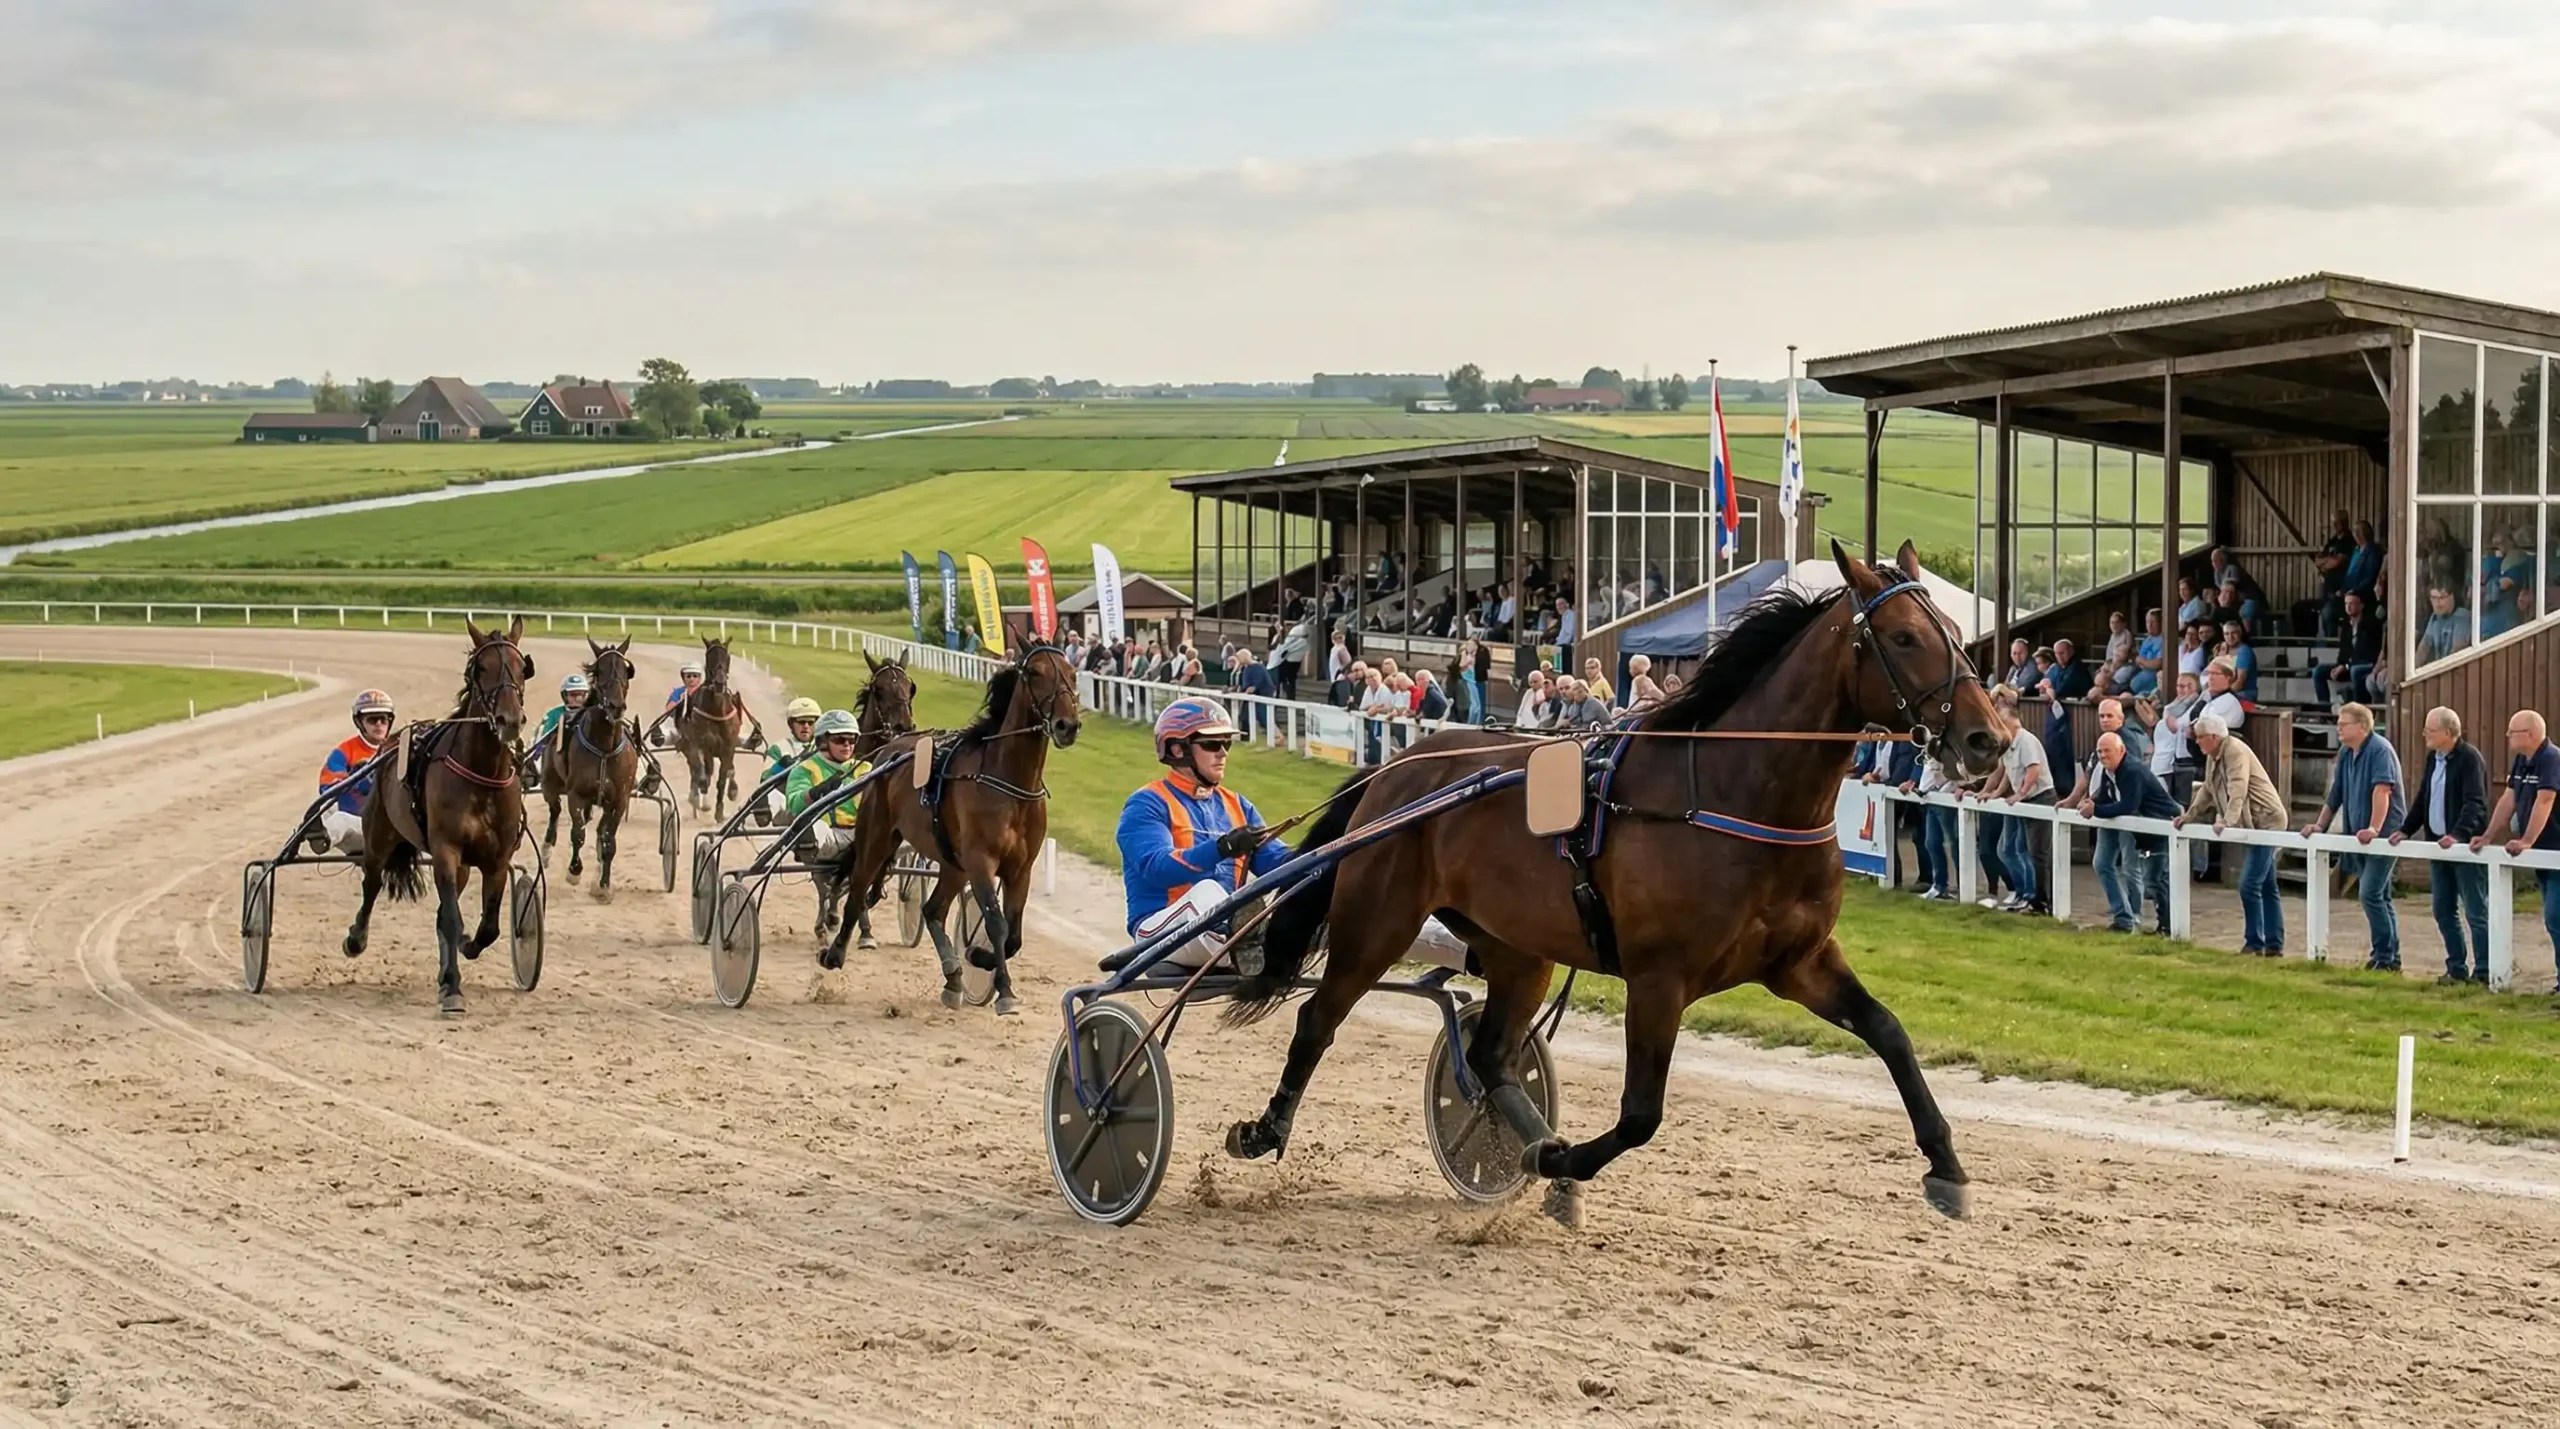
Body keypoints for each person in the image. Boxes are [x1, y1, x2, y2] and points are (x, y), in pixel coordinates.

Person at [1104, 699, 1294, 973]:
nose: (1223, 753)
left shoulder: (1238, 805)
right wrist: (1222, 847)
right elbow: (1158, 868)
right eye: (1211, 744)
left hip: (1219, 929)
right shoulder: (1146, 804)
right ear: (1178, 749)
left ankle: (1262, 941)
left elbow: (1278, 862)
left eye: (1226, 744)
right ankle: (1256, 944)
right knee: (1207, 891)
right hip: (1158, 932)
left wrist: (1328, 848)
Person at [2175, 712, 2290, 954]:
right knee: (2267, 884)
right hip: (2252, 823)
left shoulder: (2235, 751)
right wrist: (2189, 815)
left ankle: (2255, 942)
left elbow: (2239, 788)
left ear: (2214, 737)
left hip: (2266, 821)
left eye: (2201, 737)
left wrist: (2228, 819)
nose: (2197, 742)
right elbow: (2208, 788)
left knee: (2249, 884)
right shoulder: (2214, 754)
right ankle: (2273, 944)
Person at [2393, 707, 2491, 985]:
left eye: (2431, 730)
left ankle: (2484, 970)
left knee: (2475, 910)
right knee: (2442, 908)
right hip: (2437, 844)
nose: (2425, 734)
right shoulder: (2433, 758)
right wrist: (2405, 829)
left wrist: (2458, 834)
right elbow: (2425, 796)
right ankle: (2456, 967)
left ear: (2448, 733)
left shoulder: (2469, 759)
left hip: (2463, 846)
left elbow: (2476, 802)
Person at [2304, 702, 2405, 972]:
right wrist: (2319, 825)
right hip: (2358, 834)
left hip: (2383, 836)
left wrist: (2374, 828)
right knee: (2380, 896)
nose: (2338, 726)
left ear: (2361, 726)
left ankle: (2385, 956)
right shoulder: (2348, 752)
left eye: (2344, 723)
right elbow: (2336, 794)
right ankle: (2388, 957)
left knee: (2370, 893)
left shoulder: (2380, 750)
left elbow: (2382, 790)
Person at [2473, 709, 2560, 990]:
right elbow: (2509, 800)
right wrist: (2488, 835)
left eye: (2513, 731)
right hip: (2542, 854)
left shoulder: (2551, 759)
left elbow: (2545, 801)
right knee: (2553, 919)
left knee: (2555, 915)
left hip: (2556, 851)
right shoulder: (2522, 760)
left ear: (2531, 734)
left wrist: (2526, 841)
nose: (2508, 735)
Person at [2085, 731, 2182, 934]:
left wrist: (2096, 811)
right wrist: (2092, 802)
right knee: (2148, 878)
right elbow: (2106, 795)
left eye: (2107, 751)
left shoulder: (2132, 770)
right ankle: (2129, 918)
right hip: (2140, 828)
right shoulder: (2108, 771)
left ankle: (2168, 927)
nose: (2103, 755)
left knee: (2156, 879)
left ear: (2122, 751)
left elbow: (2129, 804)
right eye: (2099, 751)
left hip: (2161, 826)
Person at [312, 689, 397, 856]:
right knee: (326, 808)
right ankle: (321, 839)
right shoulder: (345, 751)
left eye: (384, 719)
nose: (379, 724)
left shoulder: (399, 748)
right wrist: (355, 781)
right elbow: (327, 788)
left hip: (391, 830)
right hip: (356, 826)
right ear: (359, 722)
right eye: (372, 720)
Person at [783, 709, 871, 862]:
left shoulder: (866, 768)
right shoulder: (805, 769)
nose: (847, 745)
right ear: (823, 741)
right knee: (807, 827)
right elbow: (794, 805)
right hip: (830, 836)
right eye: (839, 739)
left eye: (852, 739)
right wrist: (816, 792)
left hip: (865, 837)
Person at [524, 672, 593, 791]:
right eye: (572, 695)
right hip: (556, 753)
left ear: (586, 696)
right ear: (565, 696)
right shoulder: (554, 714)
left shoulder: (591, 714)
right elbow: (544, 736)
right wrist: (536, 754)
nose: (576, 698)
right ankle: (536, 774)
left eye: (580, 695)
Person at [760, 697, 824, 819]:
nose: (806, 726)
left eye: (810, 723)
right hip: (788, 801)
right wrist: (779, 767)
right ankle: (767, 815)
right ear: (791, 724)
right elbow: (764, 780)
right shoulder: (778, 748)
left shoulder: (825, 746)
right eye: (801, 722)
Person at [2318, 591, 2383, 705]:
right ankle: (2324, 712)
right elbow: (2344, 651)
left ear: (2361, 605)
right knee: (2318, 671)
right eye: (2346, 603)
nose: (2348, 606)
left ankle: (2358, 710)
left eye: (2352, 603)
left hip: (2366, 665)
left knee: (2355, 671)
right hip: (2349, 665)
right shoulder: (2346, 625)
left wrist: (2346, 666)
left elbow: (2365, 654)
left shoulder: (2371, 625)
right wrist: (2340, 665)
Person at [2419, 583, 2471, 664]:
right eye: (2434, 598)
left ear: (2451, 597)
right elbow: (2423, 650)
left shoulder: (2462, 616)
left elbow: (2457, 653)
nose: (2437, 603)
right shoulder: (2434, 618)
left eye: (2442, 598)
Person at [2125, 608, 2165, 696]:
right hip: (2138, 673)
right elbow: (2138, 660)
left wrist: (2142, 661)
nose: (2149, 625)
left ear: (2161, 622)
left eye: (2153, 622)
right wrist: (2143, 662)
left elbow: (2157, 664)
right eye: (2147, 622)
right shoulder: (2147, 639)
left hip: (2153, 680)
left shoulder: (2164, 640)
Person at [2218, 621, 2258, 702]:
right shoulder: (2225, 649)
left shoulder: (2244, 651)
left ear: (2240, 633)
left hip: (2245, 693)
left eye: (2234, 633)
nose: (2230, 637)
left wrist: (2221, 695)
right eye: (2227, 634)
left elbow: (2240, 683)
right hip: (2231, 692)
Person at [2097, 611, 2136, 694]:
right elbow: (2109, 657)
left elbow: (2125, 655)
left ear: (2123, 624)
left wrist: (2111, 667)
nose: (2114, 625)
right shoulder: (2112, 636)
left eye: (2117, 622)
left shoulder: (2126, 634)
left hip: (2122, 666)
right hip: (2111, 663)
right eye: (2112, 623)